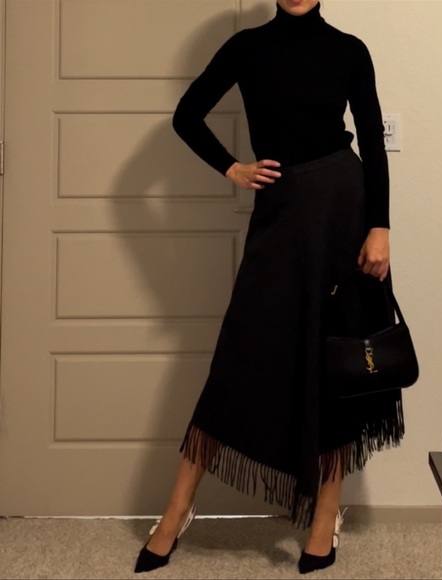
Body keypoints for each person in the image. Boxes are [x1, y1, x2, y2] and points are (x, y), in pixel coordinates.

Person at [135, 0, 404, 575]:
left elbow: (373, 143)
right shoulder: (247, 47)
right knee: (239, 355)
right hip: (281, 216)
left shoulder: (349, 50)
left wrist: (380, 227)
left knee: (336, 365)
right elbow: (187, 115)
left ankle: (324, 518)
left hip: (344, 212)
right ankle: (177, 510)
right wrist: (232, 167)